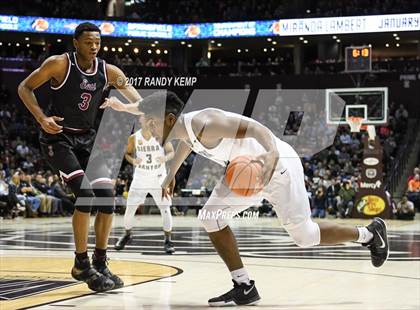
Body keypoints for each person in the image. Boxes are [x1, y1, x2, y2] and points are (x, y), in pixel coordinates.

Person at [103, 91, 389, 307]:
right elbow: (186, 145)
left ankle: (368, 234)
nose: (148, 132)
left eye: (150, 125)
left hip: (275, 165)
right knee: (210, 217)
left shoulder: (207, 121)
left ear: (167, 119)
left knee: (304, 236)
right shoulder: (182, 130)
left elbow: (254, 128)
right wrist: (170, 175)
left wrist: (272, 152)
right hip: (246, 172)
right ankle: (244, 285)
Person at [18, 22, 141, 292]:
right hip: (58, 137)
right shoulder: (58, 64)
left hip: (88, 138)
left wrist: (126, 105)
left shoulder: (109, 71)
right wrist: (41, 118)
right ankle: (80, 263)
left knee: (107, 199)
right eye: (88, 42)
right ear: (76, 42)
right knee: (85, 194)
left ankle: (100, 260)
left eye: (97, 42)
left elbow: (140, 102)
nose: (94, 47)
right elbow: (24, 88)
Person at [114, 115, 175, 254]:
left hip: (159, 178)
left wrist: (165, 157)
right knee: (129, 210)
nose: (148, 120)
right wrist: (133, 160)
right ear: (140, 121)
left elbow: (171, 152)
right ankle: (127, 234)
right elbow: (127, 154)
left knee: (165, 209)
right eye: (144, 118)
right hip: (140, 178)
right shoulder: (134, 137)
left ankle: (168, 240)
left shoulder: (160, 135)